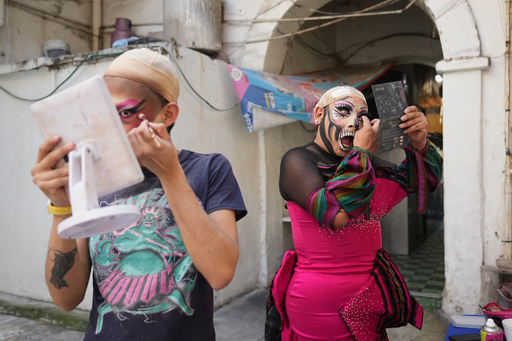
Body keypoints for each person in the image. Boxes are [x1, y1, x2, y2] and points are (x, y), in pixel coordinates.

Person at [31, 48, 247, 340]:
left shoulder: (208, 169)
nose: (109, 126)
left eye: (125, 112)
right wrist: (61, 206)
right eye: (103, 113)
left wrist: (170, 174)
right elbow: (65, 298)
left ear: (168, 114)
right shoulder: (93, 177)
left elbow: (220, 273)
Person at [271, 86, 442, 340]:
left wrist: (419, 144)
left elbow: (422, 182)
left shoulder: (364, 164)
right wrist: (361, 153)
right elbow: (337, 215)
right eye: (343, 112)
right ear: (319, 114)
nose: (354, 122)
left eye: (361, 116)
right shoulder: (297, 160)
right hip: (318, 306)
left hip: (370, 301)